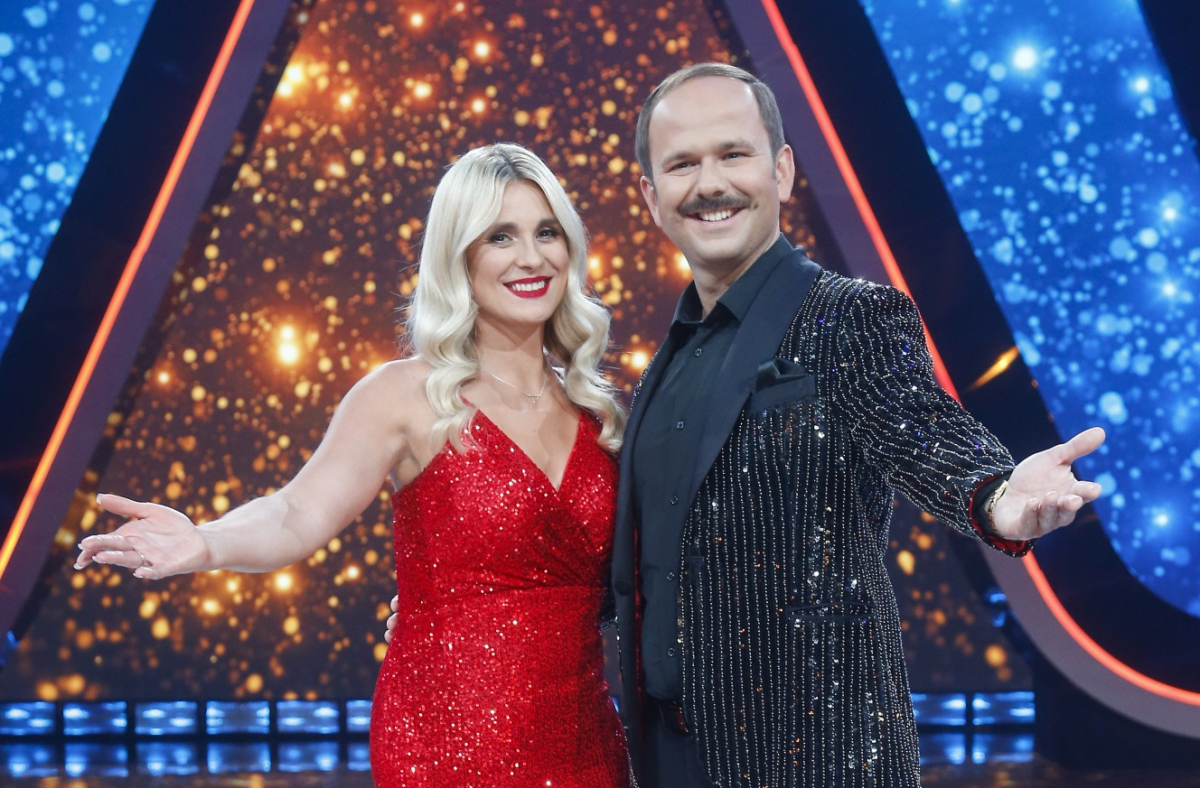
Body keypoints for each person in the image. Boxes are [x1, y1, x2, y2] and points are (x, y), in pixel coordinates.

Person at [608, 62, 1107, 788]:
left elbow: (917, 425)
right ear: (652, 197)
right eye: (682, 163)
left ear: (782, 171)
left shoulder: (852, 315)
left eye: (733, 154)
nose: (709, 183)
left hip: (817, 759)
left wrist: (998, 495)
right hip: (670, 759)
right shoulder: (666, 360)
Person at [75, 143, 632, 788]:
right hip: (451, 741)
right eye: (500, 236)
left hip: (585, 740)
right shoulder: (404, 395)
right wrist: (207, 541)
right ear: (459, 256)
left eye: (547, 232)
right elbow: (296, 510)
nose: (531, 257)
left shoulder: (598, 413)